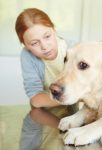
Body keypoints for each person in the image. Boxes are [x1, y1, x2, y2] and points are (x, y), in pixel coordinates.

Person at [15, 8, 74, 150]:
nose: (44, 46)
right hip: (43, 116)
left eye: (47, 36)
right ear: (25, 46)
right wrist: (71, 96)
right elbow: (35, 99)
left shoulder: (73, 49)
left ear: (54, 29)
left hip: (72, 113)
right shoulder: (27, 56)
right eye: (34, 43)